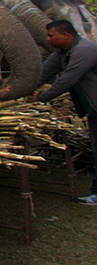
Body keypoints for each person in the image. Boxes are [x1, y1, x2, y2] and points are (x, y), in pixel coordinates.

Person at [29, 20, 97, 205]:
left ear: (65, 35)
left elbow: (66, 81)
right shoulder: (61, 53)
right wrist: (19, 90)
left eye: (51, 35)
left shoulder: (85, 50)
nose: (48, 39)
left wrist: (41, 98)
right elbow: (42, 74)